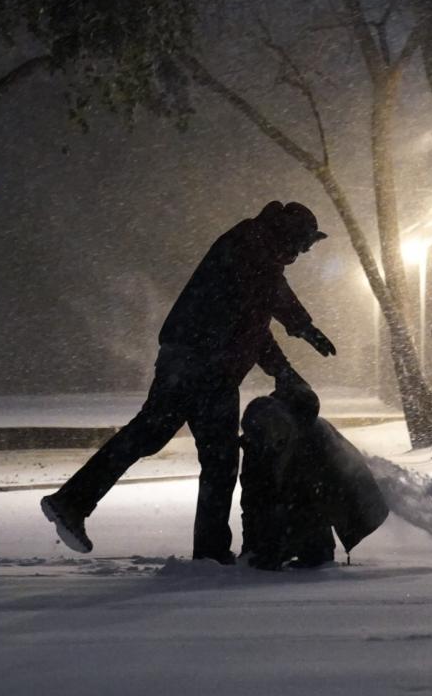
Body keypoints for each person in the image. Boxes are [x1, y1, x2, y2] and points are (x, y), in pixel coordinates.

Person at [41, 201, 336, 562]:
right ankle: (206, 551)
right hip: (203, 366)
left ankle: (73, 502)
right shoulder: (250, 245)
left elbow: (254, 329)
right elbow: (268, 296)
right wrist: (302, 327)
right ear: (289, 234)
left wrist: (285, 367)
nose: (301, 253)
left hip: (196, 364)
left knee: (160, 441)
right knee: (208, 457)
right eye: (304, 244)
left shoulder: (257, 251)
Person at [239, 384, 389, 570]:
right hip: (317, 497)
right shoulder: (256, 447)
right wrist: (252, 548)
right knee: (278, 508)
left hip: (342, 497)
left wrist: (279, 547)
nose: (274, 440)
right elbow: (252, 500)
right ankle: (297, 549)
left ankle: (315, 552)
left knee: (302, 510)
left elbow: (313, 501)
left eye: (278, 433)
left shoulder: (313, 443)